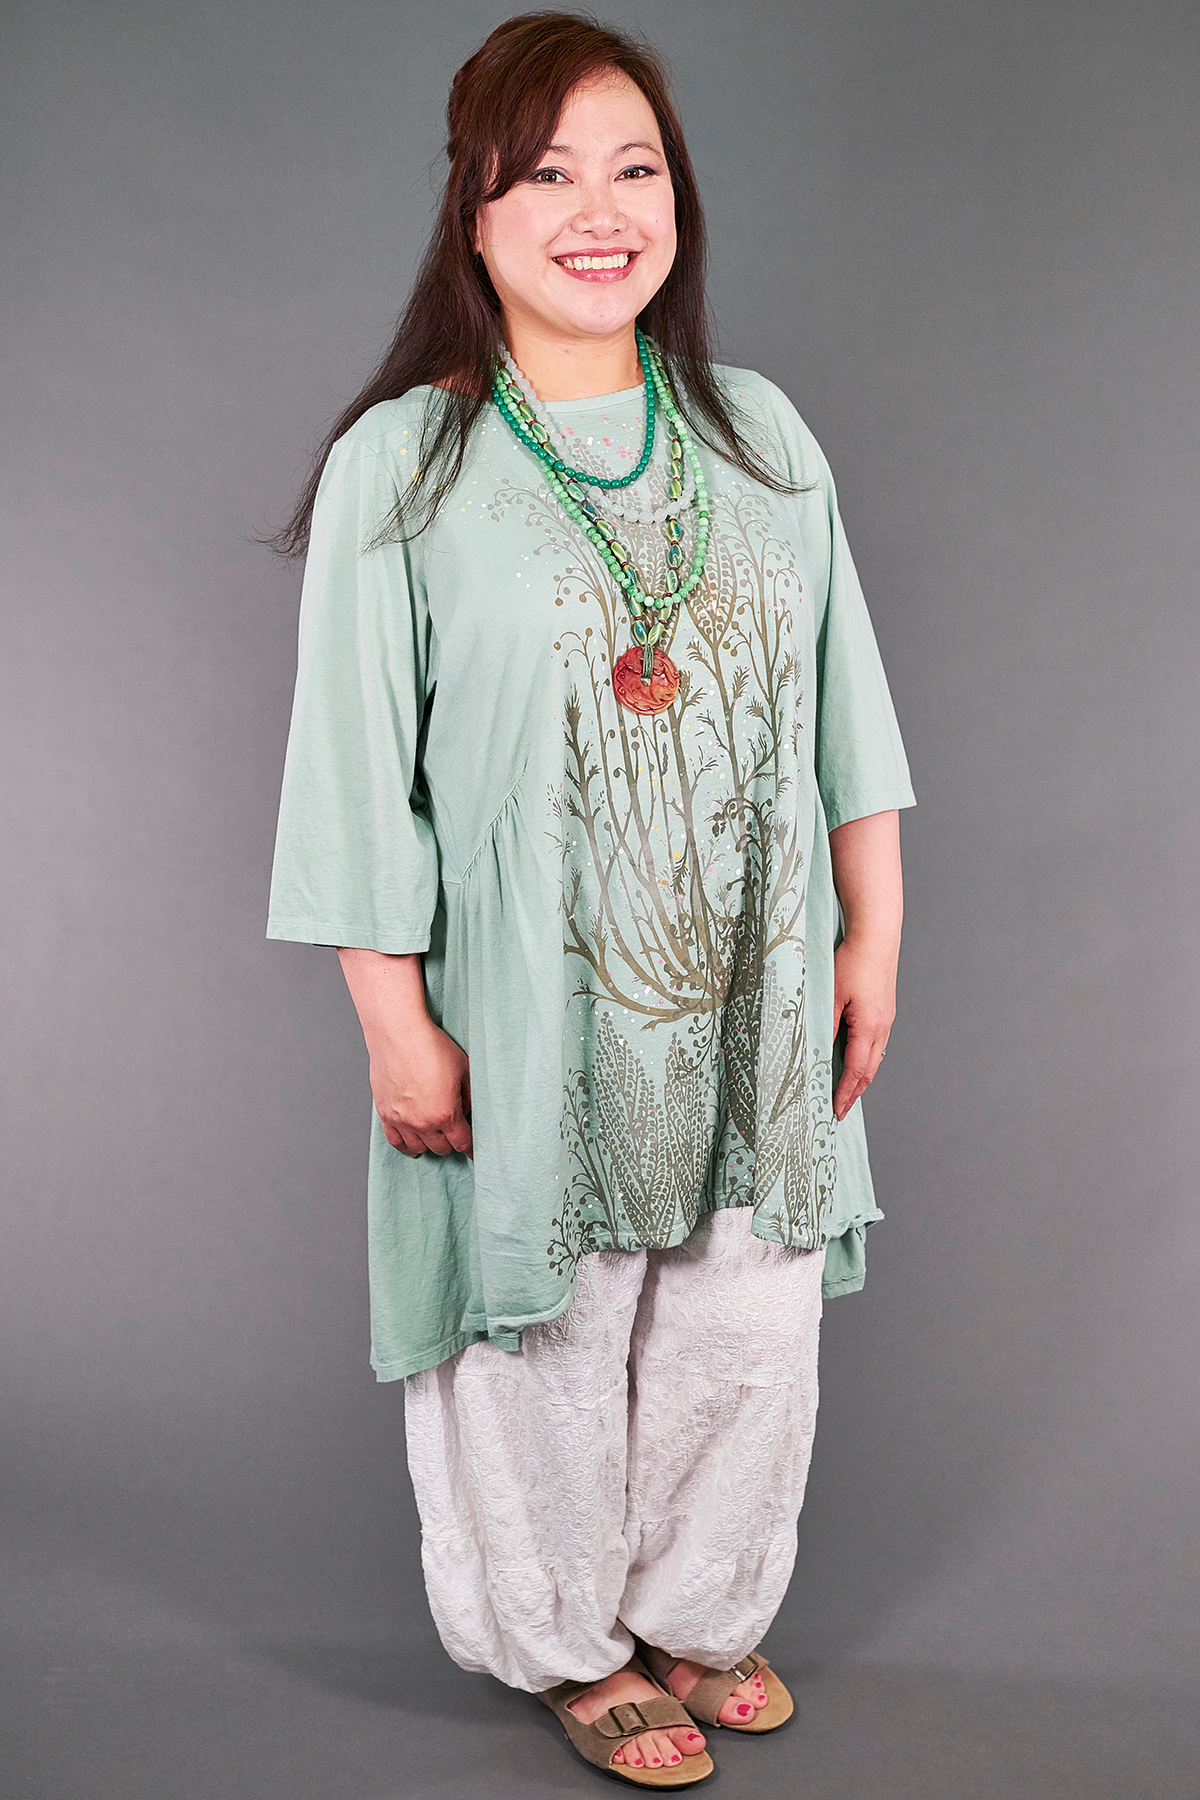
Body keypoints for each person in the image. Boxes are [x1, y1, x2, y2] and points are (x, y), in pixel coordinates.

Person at [268, 12, 914, 1787]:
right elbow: (354, 774)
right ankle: (568, 1643)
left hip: (758, 979)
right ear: (474, 215)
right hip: (526, 998)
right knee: (543, 1326)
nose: (599, 211)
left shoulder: (758, 431)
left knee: (747, 1316)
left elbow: (847, 710)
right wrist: (393, 1023)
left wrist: (875, 935)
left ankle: (703, 1609)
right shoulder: (406, 460)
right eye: (547, 174)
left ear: (679, 202)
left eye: (635, 169)